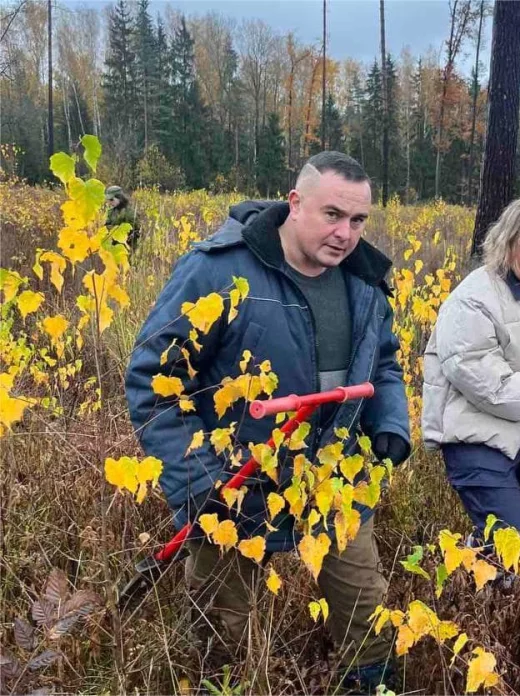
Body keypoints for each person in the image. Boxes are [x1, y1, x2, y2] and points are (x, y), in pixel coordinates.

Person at [125, 152, 410, 691]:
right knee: (221, 633)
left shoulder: (366, 280)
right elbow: (152, 381)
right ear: (295, 202)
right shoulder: (217, 268)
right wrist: (199, 477)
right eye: (332, 215)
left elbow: (385, 361)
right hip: (233, 484)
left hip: (335, 481)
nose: (345, 233)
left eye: (358, 220)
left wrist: (390, 422)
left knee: (366, 619)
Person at [422, 196, 520, 546]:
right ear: (506, 243)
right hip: (477, 442)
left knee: (512, 549)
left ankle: (471, 592)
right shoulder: (473, 298)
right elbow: (487, 383)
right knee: (518, 545)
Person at [104, 185, 141, 252]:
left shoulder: (130, 212)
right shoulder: (111, 212)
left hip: (127, 249)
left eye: (112, 200)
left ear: (120, 198)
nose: (110, 202)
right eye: (108, 200)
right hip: (113, 248)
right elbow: (106, 227)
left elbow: (136, 232)